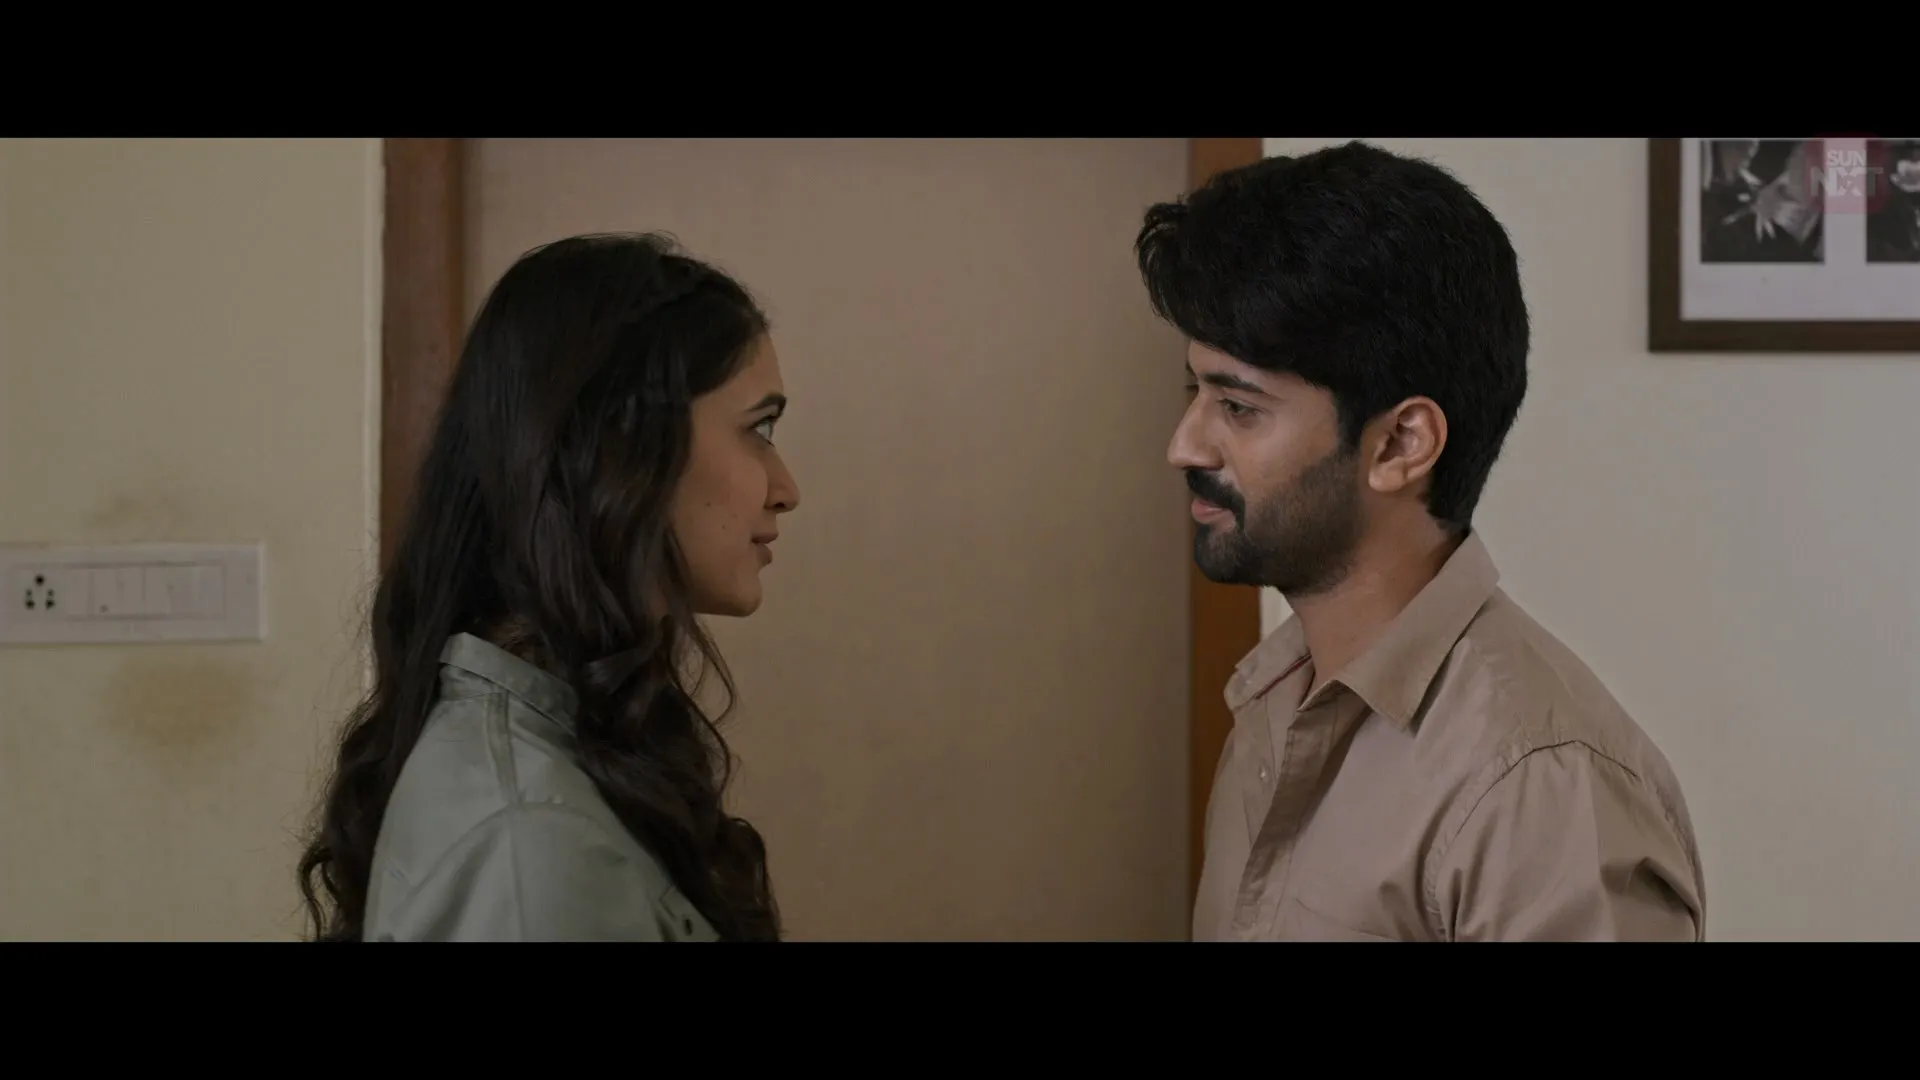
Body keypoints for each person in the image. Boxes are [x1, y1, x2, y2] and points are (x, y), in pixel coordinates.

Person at [1136, 142, 1706, 942]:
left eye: (1239, 408)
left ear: (1402, 444)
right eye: (1194, 391)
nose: (1185, 445)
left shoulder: (1540, 790)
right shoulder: (1271, 703)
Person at [297, 232, 800, 941]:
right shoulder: (527, 843)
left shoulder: (568, 743)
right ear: (617, 445)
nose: (786, 489)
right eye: (759, 428)